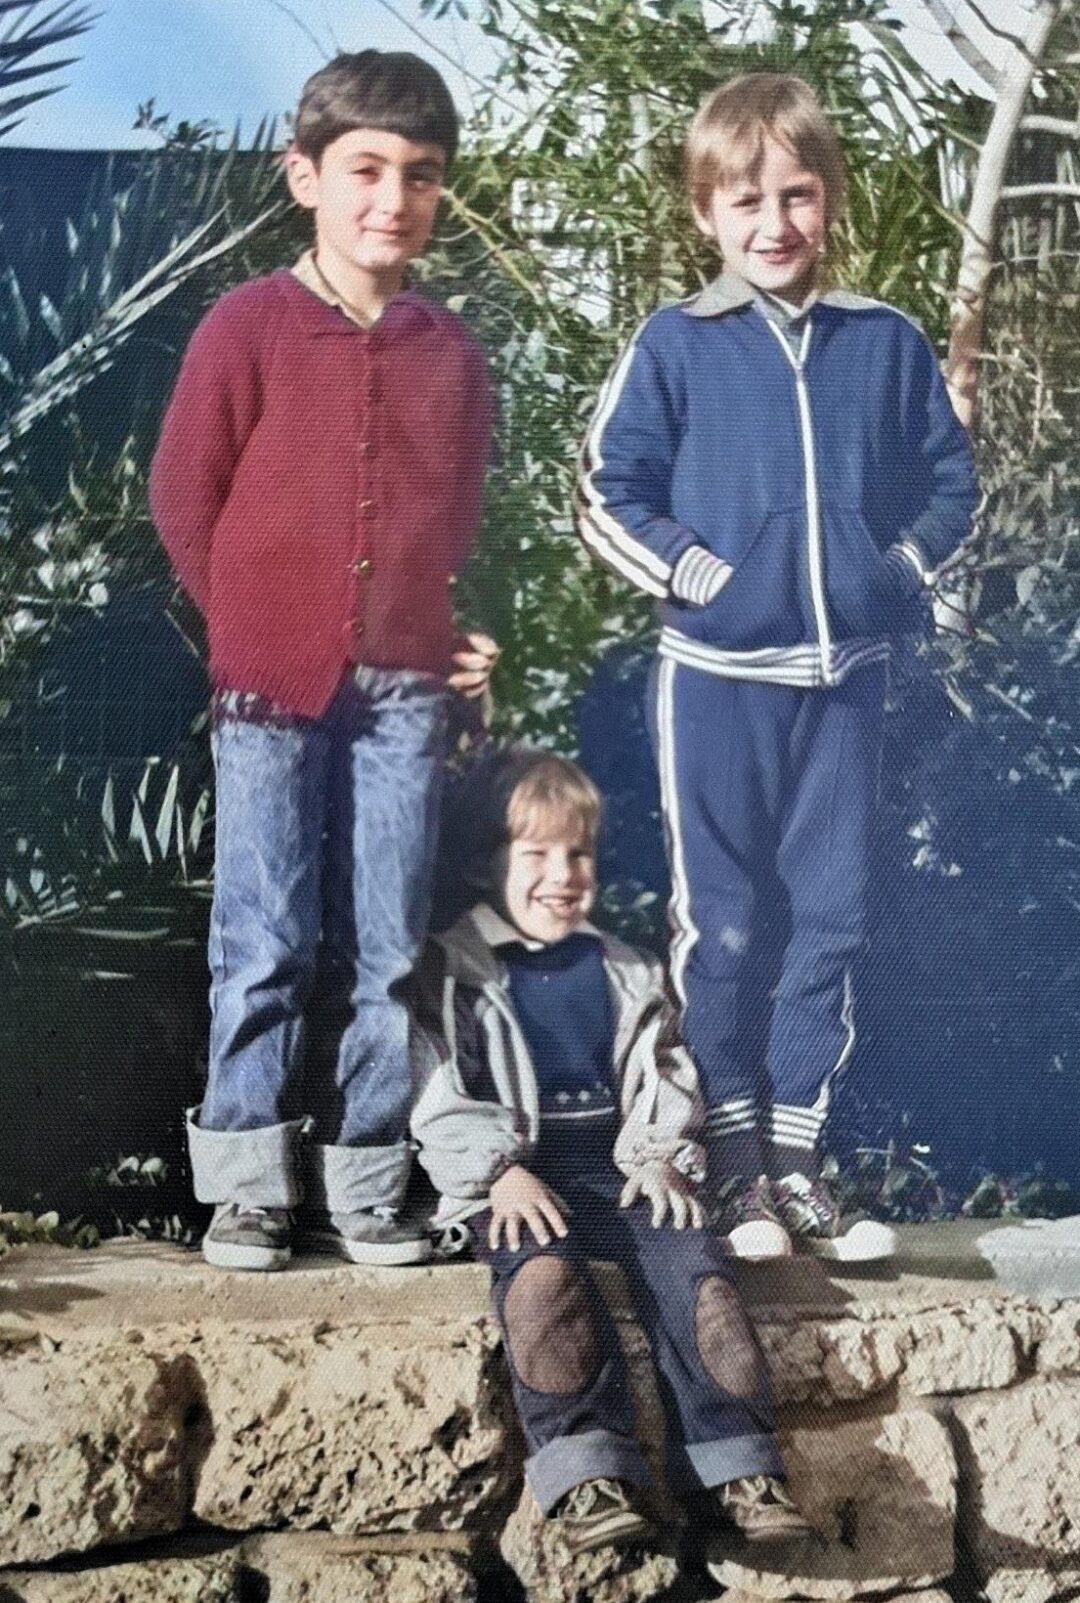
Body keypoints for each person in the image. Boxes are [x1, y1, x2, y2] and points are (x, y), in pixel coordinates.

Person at [576, 74, 979, 1261]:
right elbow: (609, 491)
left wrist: (892, 573)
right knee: (731, 923)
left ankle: (800, 1167)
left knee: (832, 919)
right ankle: (736, 1167)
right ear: (706, 212)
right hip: (714, 681)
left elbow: (954, 484)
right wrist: (704, 577)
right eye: (745, 199)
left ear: (829, 198)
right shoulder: (676, 344)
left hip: (845, 678)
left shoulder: (884, 341)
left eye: (797, 196)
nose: (774, 224)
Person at [149, 50, 497, 1271]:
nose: (390, 200)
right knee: (266, 940)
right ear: (306, 176)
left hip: (404, 691)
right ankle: (246, 1185)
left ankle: (369, 1182)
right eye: (363, 170)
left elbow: (452, 519)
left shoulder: (450, 353)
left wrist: (444, 626)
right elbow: (184, 499)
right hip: (266, 695)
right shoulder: (246, 327)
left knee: (393, 946)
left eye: (420, 175)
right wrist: (254, 624)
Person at [410, 749, 812, 1556]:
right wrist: (497, 1172)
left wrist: (661, 1156)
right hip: (519, 1177)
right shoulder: (455, 967)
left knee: (700, 1277)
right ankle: (587, 1474)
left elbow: (663, 1069)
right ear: (487, 863)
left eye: (578, 854)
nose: (562, 874)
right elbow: (435, 1083)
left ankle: (736, 1471)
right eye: (536, 855)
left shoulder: (625, 968)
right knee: (543, 1283)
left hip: (619, 1166)